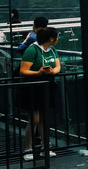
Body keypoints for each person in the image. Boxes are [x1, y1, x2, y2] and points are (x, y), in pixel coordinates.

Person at [19, 26, 61, 161]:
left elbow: (58, 65)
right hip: (33, 87)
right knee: (35, 119)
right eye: (57, 37)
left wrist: (52, 72)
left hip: (46, 86)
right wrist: (38, 73)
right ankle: (28, 149)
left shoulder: (52, 49)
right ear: (51, 39)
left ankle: (45, 146)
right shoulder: (32, 50)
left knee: (44, 118)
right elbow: (23, 71)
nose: (58, 39)